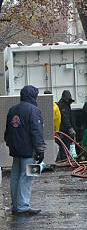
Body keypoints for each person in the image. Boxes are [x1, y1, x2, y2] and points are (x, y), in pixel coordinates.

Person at [4, 85, 45, 216]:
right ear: (33, 96)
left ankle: (16, 205)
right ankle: (23, 206)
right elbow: (36, 131)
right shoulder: (34, 110)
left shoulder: (12, 110)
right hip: (29, 150)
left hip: (15, 150)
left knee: (15, 176)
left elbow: (7, 132)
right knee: (28, 176)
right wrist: (40, 149)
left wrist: (11, 145)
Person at [56, 90, 76, 161]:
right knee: (65, 145)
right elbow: (65, 118)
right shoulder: (63, 105)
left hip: (64, 129)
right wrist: (70, 128)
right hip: (63, 130)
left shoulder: (64, 104)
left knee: (64, 145)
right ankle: (64, 159)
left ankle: (64, 159)